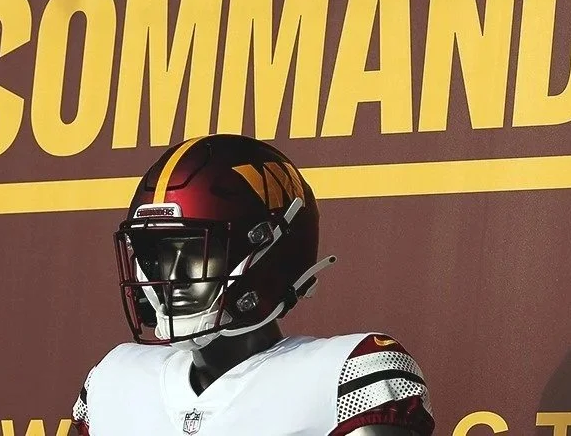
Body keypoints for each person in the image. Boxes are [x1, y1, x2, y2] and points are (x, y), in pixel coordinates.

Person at [72, 134, 434, 436]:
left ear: (269, 249)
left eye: (197, 249)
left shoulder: (345, 378)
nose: (175, 273)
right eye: (161, 252)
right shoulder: (114, 382)